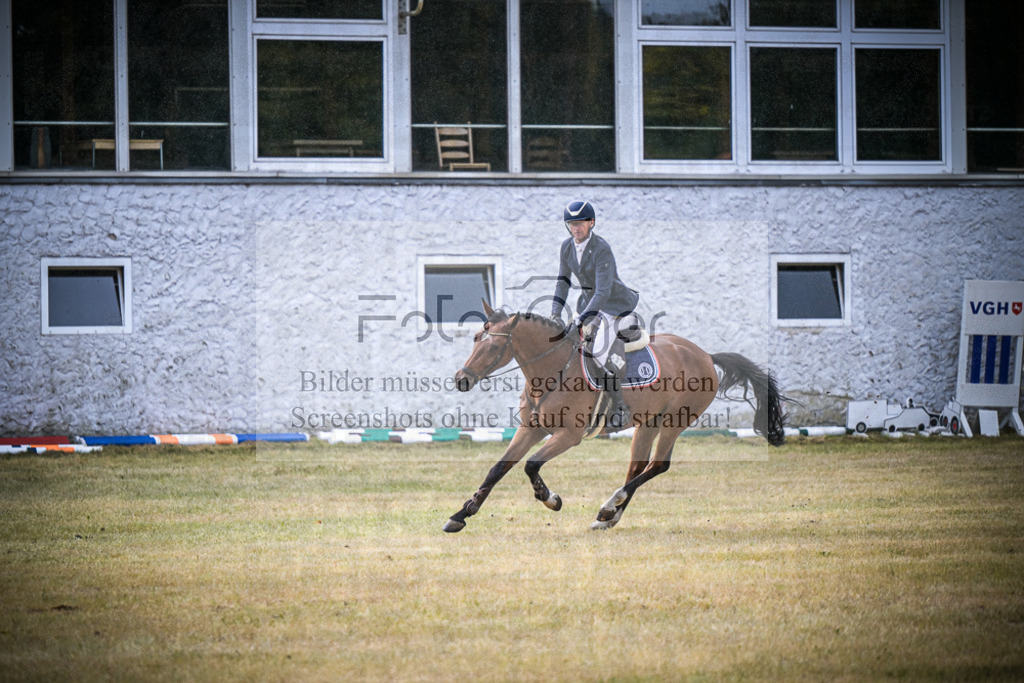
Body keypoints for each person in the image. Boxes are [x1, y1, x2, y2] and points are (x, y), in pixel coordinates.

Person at [551, 200, 639, 430]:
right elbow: (563, 283)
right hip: (588, 304)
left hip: (613, 305)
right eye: (571, 224)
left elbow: (603, 291)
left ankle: (620, 407)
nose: (575, 229)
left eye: (580, 224)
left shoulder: (601, 248)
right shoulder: (567, 247)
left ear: (591, 223)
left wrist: (581, 319)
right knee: (567, 346)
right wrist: (555, 313)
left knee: (598, 354)